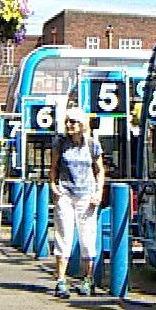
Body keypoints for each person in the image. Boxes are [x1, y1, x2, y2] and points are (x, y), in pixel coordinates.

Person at [49, 109, 106, 298]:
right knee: (63, 235)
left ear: (82, 124)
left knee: (87, 237)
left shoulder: (92, 145)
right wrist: (53, 187)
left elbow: (99, 170)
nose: (69, 125)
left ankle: (88, 279)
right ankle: (60, 280)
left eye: (72, 122)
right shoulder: (60, 143)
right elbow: (54, 168)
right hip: (65, 194)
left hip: (86, 196)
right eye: (67, 121)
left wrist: (98, 191)